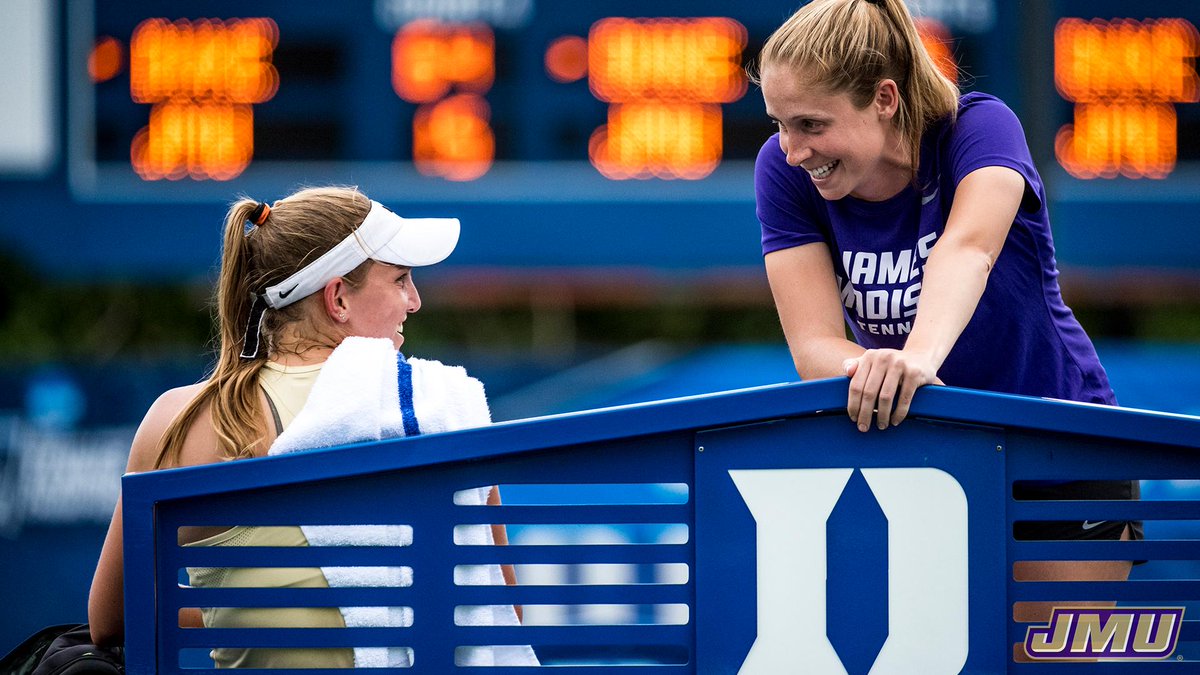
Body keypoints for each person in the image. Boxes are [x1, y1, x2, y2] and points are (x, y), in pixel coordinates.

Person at [751, 0, 1138, 660]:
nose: (793, 149)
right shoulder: (784, 172)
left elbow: (968, 250)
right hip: (921, 468)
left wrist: (916, 358)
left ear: (884, 98)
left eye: (812, 124)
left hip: (1059, 448)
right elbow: (814, 345)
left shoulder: (980, 129)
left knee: (1049, 660)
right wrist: (868, 366)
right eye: (781, 125)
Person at [86, 186, 519, 668]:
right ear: (337, 299)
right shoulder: (443, 407)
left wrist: (238, 612)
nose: (414, 301)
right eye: (399, 280)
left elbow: (110, 620)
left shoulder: (178, 419)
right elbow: (499, 611)